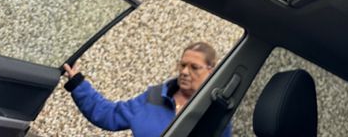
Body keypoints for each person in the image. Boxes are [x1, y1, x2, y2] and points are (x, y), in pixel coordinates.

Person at [64, 41, 232, 137]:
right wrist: (78, 84)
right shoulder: (155, 96)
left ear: (211, 71)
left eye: (194, 67)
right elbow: (109, 114)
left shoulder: (215, 112)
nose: (185, 72)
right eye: (182, 65)